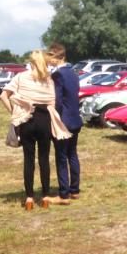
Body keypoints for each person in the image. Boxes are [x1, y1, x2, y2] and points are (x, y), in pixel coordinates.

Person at [0, 50, 71, 210]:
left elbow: (3, 96)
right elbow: (53, 102)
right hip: (44, 119)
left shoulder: (20, 77)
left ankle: (30, 199)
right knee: (44, 159)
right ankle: (45, 197)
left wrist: (14, 112)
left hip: (27, 119)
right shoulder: (48, 79)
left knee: (28, 159)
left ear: (31, 62)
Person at [47, 43, 83, 206]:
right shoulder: (74, 74)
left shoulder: (58, 75)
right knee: (72, 155)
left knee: (61, 158)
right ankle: (74, 190)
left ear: (60, 56)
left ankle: (63, 195)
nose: (48, 59)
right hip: (75, 119)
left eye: (50, 55)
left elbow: (58, 101)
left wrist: (54, 118)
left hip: (64, 121)